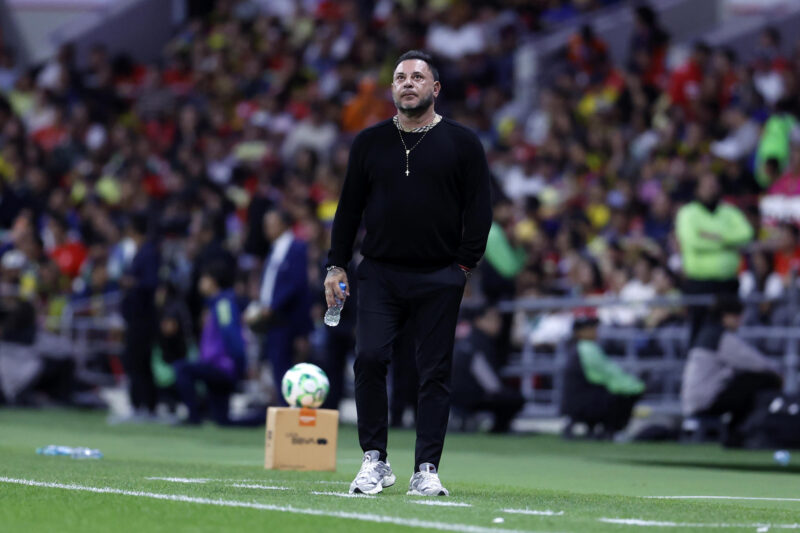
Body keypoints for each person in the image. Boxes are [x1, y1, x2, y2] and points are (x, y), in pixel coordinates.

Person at [325, 50, 492, 496]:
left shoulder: (463, 142)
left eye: (418, 77)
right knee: (370, 358)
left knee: (433, 371)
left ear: (435, 88)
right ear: (392, 88)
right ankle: (374, 460)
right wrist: (336, 264)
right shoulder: (369, 142)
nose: (408, 83)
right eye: (400, 77)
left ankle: (426, 468)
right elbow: (348, 209)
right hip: (379, 272)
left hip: (440, 274)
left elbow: (480, 210)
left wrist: (463, 266)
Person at [681, 298, 782, 447]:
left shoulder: (706, 333)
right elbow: (756, 362)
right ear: (726, 316)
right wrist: (779, 373)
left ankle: (737, 432)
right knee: (765, 379)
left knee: (748, 380)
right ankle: (737, 432)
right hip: (706, 401)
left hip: (695, 399)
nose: (740, 322)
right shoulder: (720, 337)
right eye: (737, 317)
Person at [676, 173, 753, 345]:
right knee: (699, 329)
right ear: (697, 189)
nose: (711, 190)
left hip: (727, 284)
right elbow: (693, 241)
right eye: (706, 186)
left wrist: (714, 236)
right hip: (699, 284)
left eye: (713, 185)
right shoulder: (688, 213)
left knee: (729, 332)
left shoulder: (730, 211)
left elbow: (746, 234)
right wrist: (728, 243)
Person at [247, 209, 312, 402]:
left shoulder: (296, 248)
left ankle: (290, 409)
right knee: (277, 368)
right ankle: (284, 407)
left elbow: (296, 283)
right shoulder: (274, 249)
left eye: (271, 223)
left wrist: (273, 306)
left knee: (286, 370)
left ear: (283, 224)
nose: (266, 228)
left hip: (287, 319)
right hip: (273, 320)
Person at [174, 260, 247, 425]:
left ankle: (193, 417)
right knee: (223, 422)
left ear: (213, 281)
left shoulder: (223, 305)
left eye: (204, 278)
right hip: (218, 366)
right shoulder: (216, 304)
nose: (200, 282)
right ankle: (262, 418)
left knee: (181, 369)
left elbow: (231, 335)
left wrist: (239, 366)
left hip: (221, 367)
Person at [561, 310, 645, 440]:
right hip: (585, 401)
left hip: (578, 399)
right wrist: (636, 387)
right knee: (624, 396)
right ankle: (613, 431)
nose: (595, 331)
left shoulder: (581, 347)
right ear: (579, 332)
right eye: (590, 328)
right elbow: (607, 375)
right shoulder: (586, 348)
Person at [116, 213, 160, 422]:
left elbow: (152, 282)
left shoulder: (148, 252)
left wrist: (131, 283)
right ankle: (144, 406)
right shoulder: (140, 251)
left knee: (137, 361)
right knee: (137, 361)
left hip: (143, 317)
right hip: (136, 316)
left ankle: (142, 406)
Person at [451, 307, 524, 433]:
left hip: (454, 393)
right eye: (493, 319)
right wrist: (500, 392)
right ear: (479, 320)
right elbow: (489, 380)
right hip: (469, 395)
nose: (499, 323)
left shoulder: (467, 340)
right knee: (514, 398)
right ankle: (499, 429)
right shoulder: (479, 343)